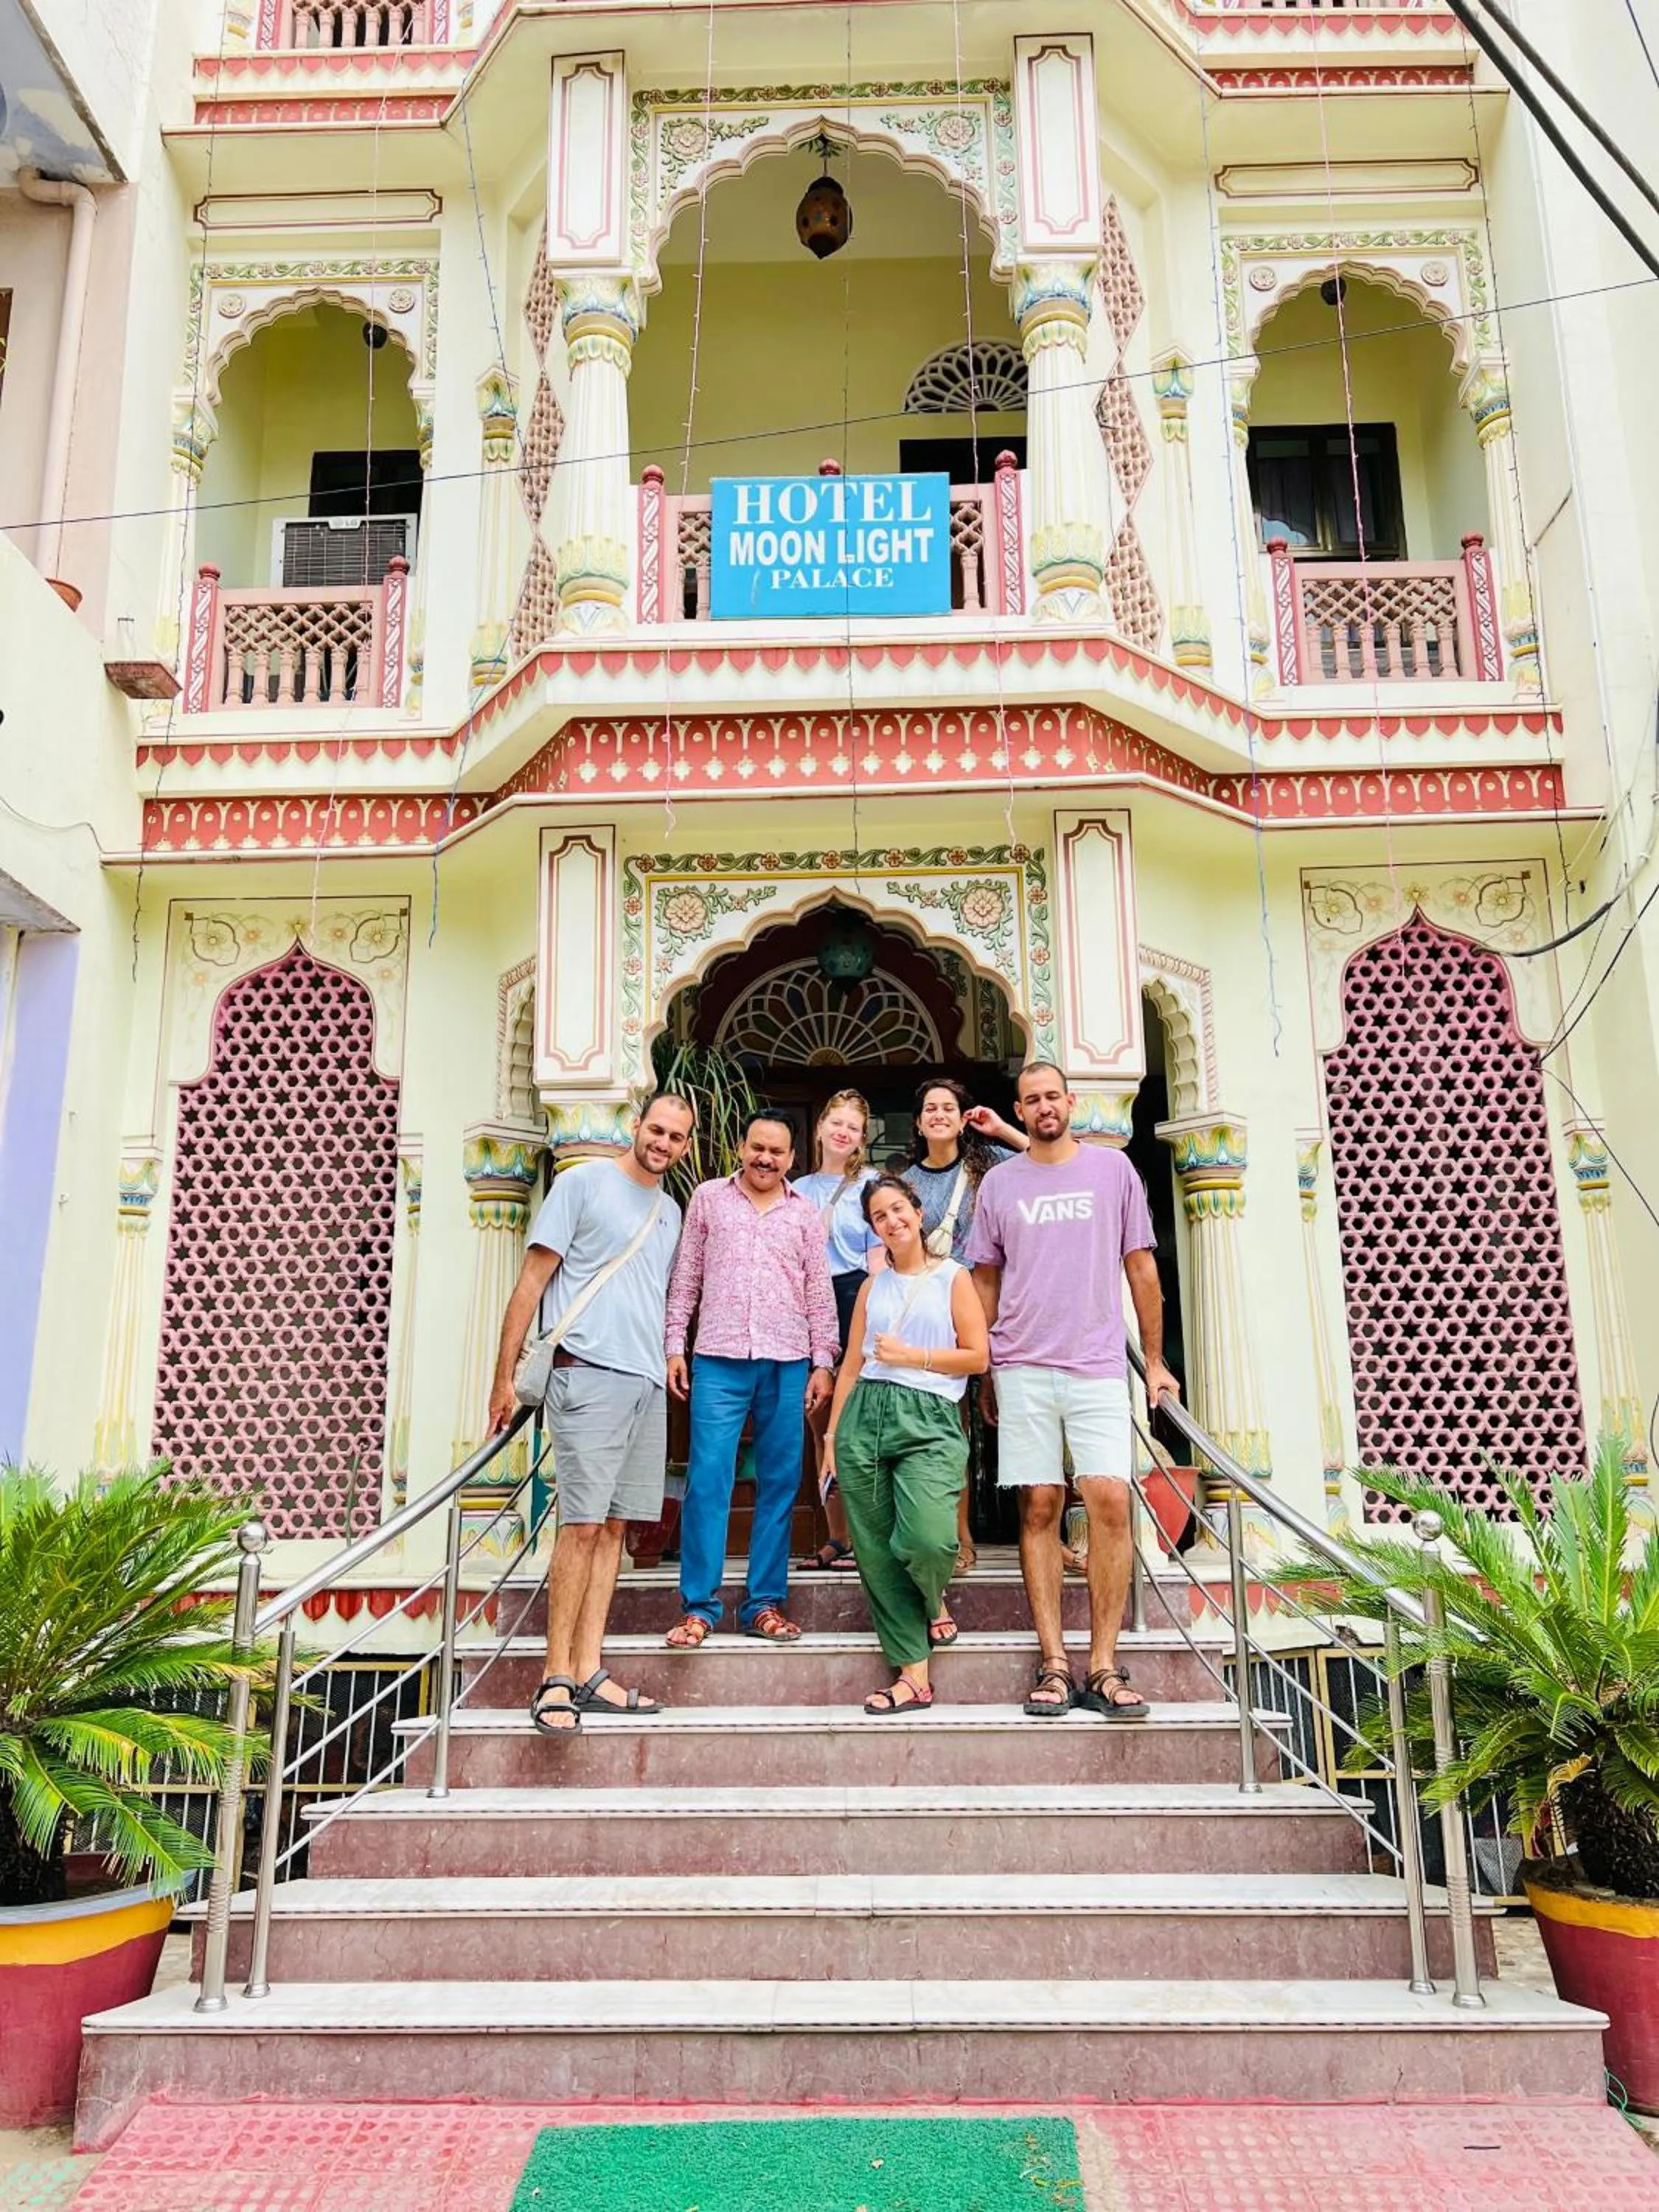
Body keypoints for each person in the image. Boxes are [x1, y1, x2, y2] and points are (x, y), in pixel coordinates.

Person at [967, 1062, 1180, 1722]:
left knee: (1110, 1499)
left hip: (1094, 1363)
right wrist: (986, 1369)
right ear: (1020, 1110)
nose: (1044, 1108)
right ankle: (1055, 1662)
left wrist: (1154, 1360)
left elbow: (1141, 1266)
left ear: (1071, 1101)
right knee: (1039, 1505)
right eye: (1032, 1100)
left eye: (1053, 1096)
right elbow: (984, 1283)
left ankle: (1106, 1664)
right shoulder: (1000, 1183)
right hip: (1024, 1364)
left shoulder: (1112, 1171)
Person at [487, 1091, 696, 1734]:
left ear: (686, 1146)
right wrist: (502, 1380)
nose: (663, 1143)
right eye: (655, 1130)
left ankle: (588, 1669)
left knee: (613, 1530)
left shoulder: (670, 1212)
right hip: (585, 1375)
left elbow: (659, 1300)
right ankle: (554, 1676)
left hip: (642, 1383)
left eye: (676, 1137)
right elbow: (532, 1281)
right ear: (636, 1127)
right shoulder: (582, 1186)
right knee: (579, 1526)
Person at [664, 1110, 839, 1645]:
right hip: (717, 1358)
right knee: (708, 1481)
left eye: (777, 1151)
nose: (766, 1158)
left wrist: (824, 1361)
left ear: (791, 1158)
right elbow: (687, 1275)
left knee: (781, 1484)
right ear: (742, 1147)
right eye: (757, 1147)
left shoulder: (805, 1215)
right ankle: (699, 1607)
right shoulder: (708, 1200)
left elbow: (818, 1291)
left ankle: (763, 1603)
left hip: (787, 1363)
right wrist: (675, 1343)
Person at [822, 1174, 990, 1714]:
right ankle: (913, 1675)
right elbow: (850, 1367)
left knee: (927, 1541)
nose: (892, 1222)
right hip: (865, 1415)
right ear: (874, 1230)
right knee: (874, 1549)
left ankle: (932, 1594)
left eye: (898, 1210)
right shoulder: (872, 1288)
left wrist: (912, 1357)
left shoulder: (953, 1278)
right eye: (880, 1218)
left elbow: (977, 1357)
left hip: (931, 1417)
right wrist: (831, 1435)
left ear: (917, 1212)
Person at [905, 1079, 1028, 1573]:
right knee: (949, 1431)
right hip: (937, 1319)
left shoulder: (992, 1167)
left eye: (948, 1108)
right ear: (917, 1123)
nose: (938, 1115)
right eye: (929, 1108)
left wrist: (1001, 1129)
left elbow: (1050, 1156)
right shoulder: (906, 1181)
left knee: (1017, 1420)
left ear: (962, 1118)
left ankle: (1038, 1535)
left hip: (1000, 1308)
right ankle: (960, 1538)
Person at [791, 1088, 882, 1572]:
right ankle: (838, 1536)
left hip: (855, 1298)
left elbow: (877, 1262)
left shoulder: (871, 1185)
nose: (843, 1132)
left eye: (854, 1127)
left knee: (860, 1424)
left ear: (862, 1138)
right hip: (806, 1302)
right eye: (837, 1122)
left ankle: (869, 1536)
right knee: (819, 1421)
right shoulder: (797, 1189)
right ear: (822, 1125)